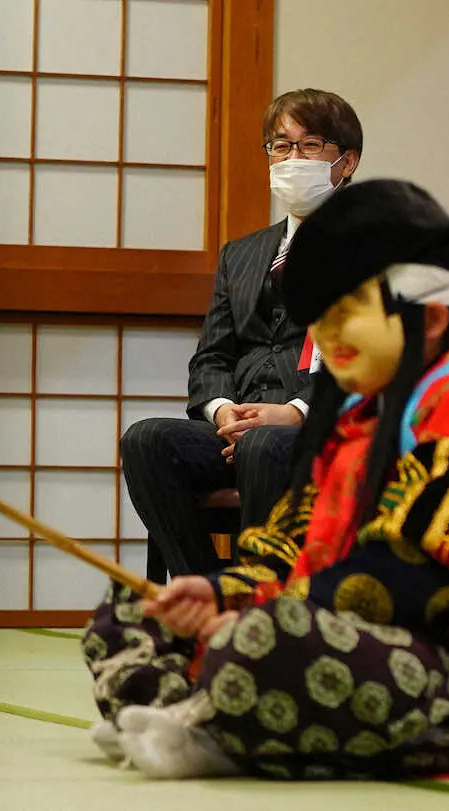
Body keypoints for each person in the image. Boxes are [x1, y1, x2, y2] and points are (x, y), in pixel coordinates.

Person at [81, 180, 449, 781]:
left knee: (266, 640)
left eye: (348, 309)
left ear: (429, 318)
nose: (329, 335)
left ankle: (213, 719)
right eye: (320, 318)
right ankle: (212, 716)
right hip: (333, 632)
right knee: (129, 614)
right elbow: (287, 554)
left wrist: (255, 617)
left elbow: (430, 581)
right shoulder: (353, 419)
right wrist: (219, 593)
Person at [121, 89, 362, 578]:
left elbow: (373, 359)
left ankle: (265, 605)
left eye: (310, 145)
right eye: (281, 146)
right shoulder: (242, 253)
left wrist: (294, 412)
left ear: (347, 162)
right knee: (146, 440)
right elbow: (210, 356)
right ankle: (209, 596)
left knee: (264, 444)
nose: (293, 158)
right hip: (239, 428)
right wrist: (223, 410)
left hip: (324, 433)